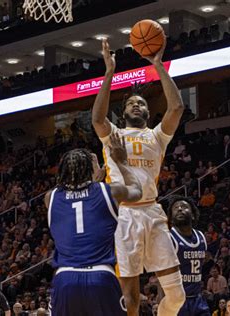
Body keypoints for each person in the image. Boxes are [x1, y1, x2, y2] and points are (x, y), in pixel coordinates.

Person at [91, 38, 186, 316]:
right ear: (123, 112)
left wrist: (158, 65)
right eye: (131, 103)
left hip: (153, 213)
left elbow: (177, 107)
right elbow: (97, 119)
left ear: (147, 112)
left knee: (177, 296)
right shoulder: (114, 135)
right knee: (131, 301)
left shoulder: (156, 136)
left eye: (141, 103)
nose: (136, 105)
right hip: (124, 217)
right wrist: (109, 72)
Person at [45, 133, 143, 315]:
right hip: (101, 276)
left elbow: (78, 195)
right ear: (92, 170)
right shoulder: (110, 192)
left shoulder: (50, 197)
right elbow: (137, 191)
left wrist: (91, 180)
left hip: (65, 279)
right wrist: (122, 162)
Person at [166, 195, 209, 315]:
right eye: (176, 208)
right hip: (177, 302)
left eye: (184, 207)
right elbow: (161, 272)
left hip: (197, 298)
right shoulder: (168, 238)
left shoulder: (201, 237)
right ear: (171, 219)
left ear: (193, 214)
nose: (179, 209)